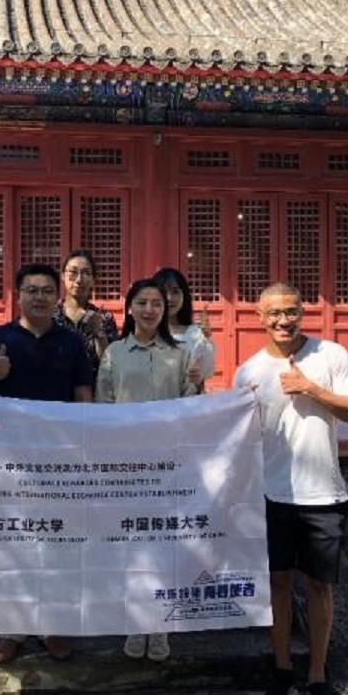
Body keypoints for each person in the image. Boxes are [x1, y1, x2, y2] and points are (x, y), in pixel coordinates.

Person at [232, 282, 348, 695]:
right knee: (277, 585)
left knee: (319, 586)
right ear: (259, 317)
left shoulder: (330, 356)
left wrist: (311, 388)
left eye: (290, 311)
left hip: (322, 492)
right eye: (273, 313)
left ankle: (318, 678)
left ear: (302, 313)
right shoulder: (248, 372)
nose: (283, 321)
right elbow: (239, 436)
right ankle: (282, 672)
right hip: (270, 493)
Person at [0, 262, 94, 664]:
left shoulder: (71, 342)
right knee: (12, 543)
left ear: (57, 296)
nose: (39, 297)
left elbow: (84, 396)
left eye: (46, 290)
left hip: (59, 459)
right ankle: (11, 630)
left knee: (56, 543)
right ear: (18, 295)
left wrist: (84, 445)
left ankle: (52, 626)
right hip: (9, 459)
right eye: (31, 290)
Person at [96, 278, 201, 662]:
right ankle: (135, 621)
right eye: (142, 302)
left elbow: (191, 407)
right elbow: (103, 406)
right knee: (130, 545)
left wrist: (196, 386)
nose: (149, 309)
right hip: (126, 464)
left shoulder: (181, 354)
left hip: (168, 465)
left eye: (156, 303)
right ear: (129, 308)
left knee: (163, 544)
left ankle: (160, 624)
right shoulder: (114, 353)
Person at [54, 248, 118, 384]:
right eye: (73, 272)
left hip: (91, 391)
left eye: (86, 273)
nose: (79, 280)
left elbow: (111, 366)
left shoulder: (104, 318)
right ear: (63, 276)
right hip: (55, 391)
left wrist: (99, 334)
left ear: (94, 280)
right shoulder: (50, 316)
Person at [153, 267, 215, 389]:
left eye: (175, 292)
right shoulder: (143, 333)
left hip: (186, 400)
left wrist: (198, 377)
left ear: (184, 295)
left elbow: (205, 374)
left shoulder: (196, 334)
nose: (169, 298)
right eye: (163, 292)